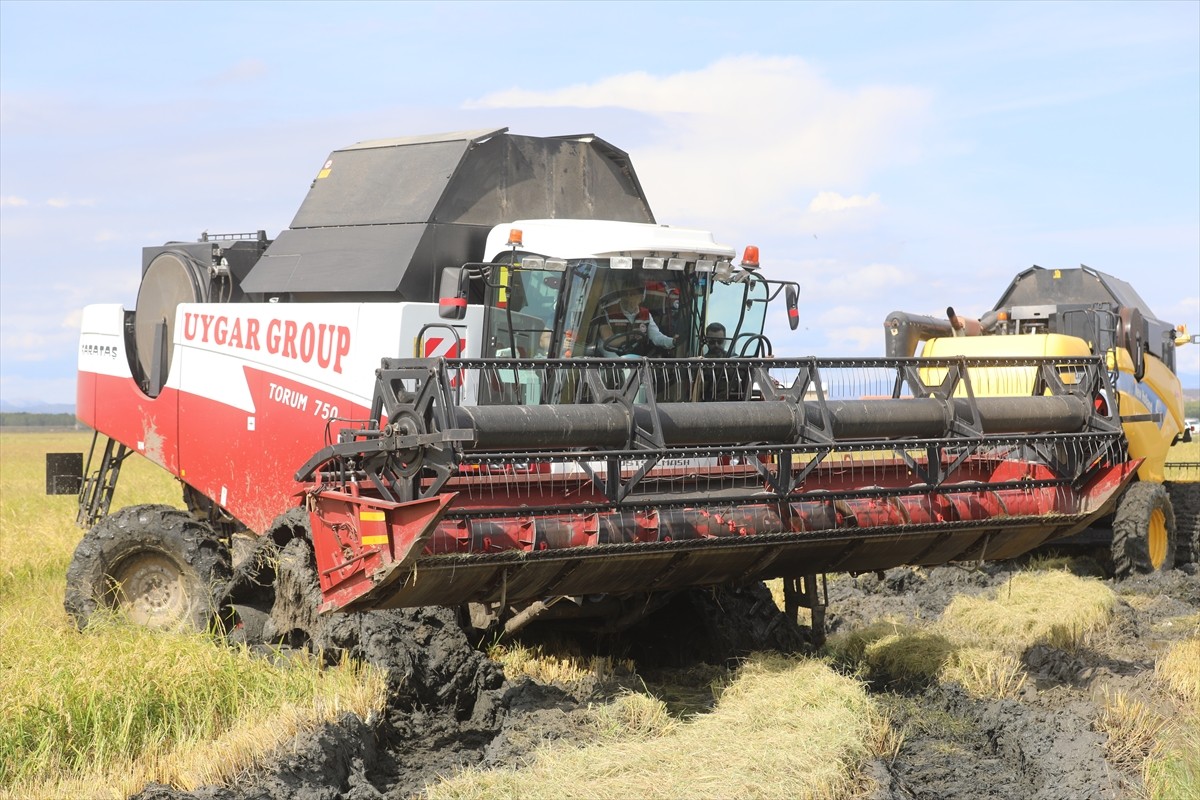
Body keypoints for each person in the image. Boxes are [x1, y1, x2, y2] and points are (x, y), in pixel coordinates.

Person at [596, 279, 678, 356]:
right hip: (613, 362)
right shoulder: (608, 312)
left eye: (632, 294)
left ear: (642, 297)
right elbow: (607, 340)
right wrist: (631, 337)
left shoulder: (646, 314)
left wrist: (672, 341)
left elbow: (656, 337)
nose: (628, 297)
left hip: (639, 361)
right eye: (625, 293)